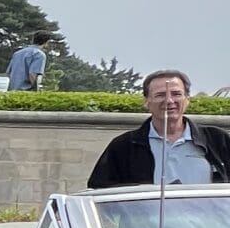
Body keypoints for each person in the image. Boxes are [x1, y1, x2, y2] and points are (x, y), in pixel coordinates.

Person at [88, 71, 230, 188]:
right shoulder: (124, 146)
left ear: (187, 99)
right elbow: (98, 191)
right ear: (146, 102)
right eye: (160, 95)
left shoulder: (218, 140)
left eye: (176, 94)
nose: (169, 101)